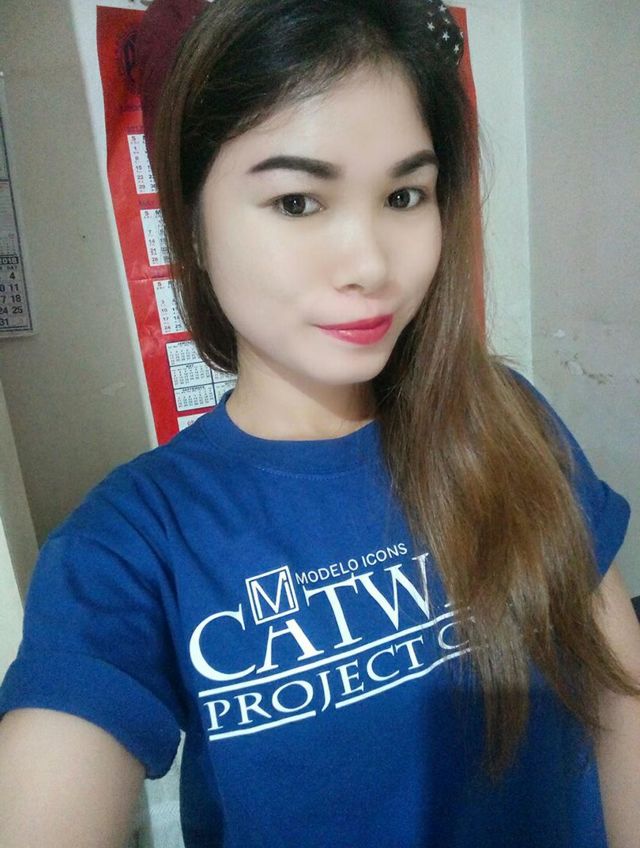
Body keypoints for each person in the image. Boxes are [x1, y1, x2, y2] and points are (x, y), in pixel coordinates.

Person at [0, 0, 638, 846]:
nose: (370, 263)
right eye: (298, 202)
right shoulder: (132, 544)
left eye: (404, 195)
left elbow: (618, 691)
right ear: (193, 223)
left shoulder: (506, 419)